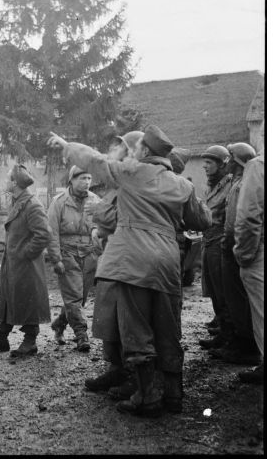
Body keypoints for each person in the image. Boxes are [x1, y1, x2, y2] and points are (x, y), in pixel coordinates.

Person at [48, 125, 211, 417]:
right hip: (167, 263)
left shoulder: (130, 173)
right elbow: (203, 220)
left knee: (136, 330)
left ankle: (146, 397)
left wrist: (66, 145)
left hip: (132, 261)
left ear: (145, 151)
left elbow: (94, 160)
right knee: (167, 329)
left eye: (136, 148)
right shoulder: (182, 185)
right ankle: (174, 396)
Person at [80, 131, 143, 398]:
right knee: (108, 317)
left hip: (131, 259)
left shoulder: (137, 183)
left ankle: (133, 377)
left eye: (123, 149)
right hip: (112, 259)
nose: (117, 154)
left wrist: (100, 228)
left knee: (129, 321)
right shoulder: (117, 185)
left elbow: (111, 220)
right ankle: (116, 368)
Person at [0, 165, 51, 357]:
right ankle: (1, 338)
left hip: (26, 265)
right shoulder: (16, 201)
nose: (4, 181)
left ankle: (30, 342)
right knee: (6, 298)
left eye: (7, 179)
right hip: (13, 263)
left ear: (14, 183)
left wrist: (25, 253)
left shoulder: (32, 204)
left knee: (29, 300)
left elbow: (44, 235)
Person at [207, 143, 260, 366]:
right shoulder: (238, 183)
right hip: (230, 246)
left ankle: (247, 347)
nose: (227, 162)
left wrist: (237, 251)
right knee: (230, 297)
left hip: (233, 249)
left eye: (230, 157)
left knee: (239, 301)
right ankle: (239, 341)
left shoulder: (240, 185)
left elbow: (240, 221)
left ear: (237, 161)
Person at [47, 165, 102, 352]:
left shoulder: (96, 201)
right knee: (73, 297)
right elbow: (51, 232)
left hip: (89, 255)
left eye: (89, 178)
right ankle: (81, 335)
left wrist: (97, 233)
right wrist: (56, 259)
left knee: (80, 298)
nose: (86, 182)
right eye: (82, 178)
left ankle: (59, 324)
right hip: (68, 254)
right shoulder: (59, 202)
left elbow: (103, 225)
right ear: (71, 180)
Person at [198, 146, 234, 351]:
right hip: (208, 238)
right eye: (205, 162)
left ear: (222, 164)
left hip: (219, 239)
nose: (204, 166)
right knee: (212, 289)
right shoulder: (213, 185)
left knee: (222, 291)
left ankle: (229, 337)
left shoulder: (229, 185)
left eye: (209, 162)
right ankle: (223, 331)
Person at [234, 147, 264, 384]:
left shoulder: (258, 166)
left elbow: (248, 217)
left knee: (263, 312)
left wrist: (244, 255)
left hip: (261, 253)